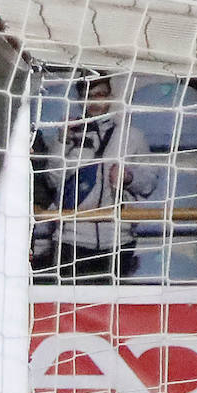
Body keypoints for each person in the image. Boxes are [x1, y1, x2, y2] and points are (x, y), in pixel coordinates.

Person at [32, 72, 157, 282]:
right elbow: (52, 180)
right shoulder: (69, 136)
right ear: (81, 100)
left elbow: (150, 183)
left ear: (110, 97)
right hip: (71, 240)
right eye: (89, 95)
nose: (95, 101)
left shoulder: (132, 136)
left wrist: (128, 177)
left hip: (117, 239)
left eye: (100, 94)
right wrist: (63, 141)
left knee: (111, 309)